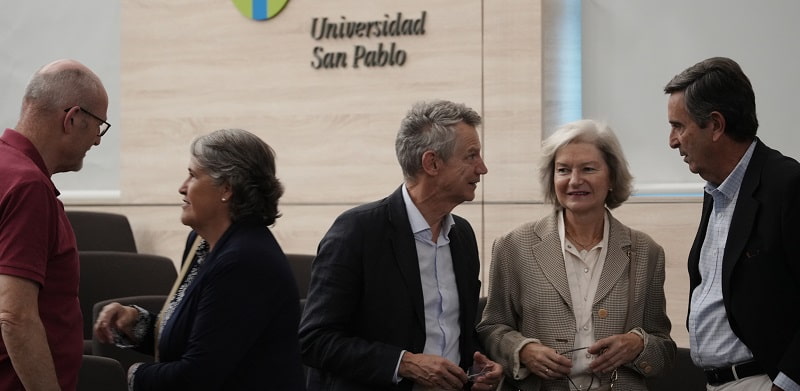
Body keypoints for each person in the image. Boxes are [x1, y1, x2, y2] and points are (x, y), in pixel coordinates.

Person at [298, 100, 502, 391]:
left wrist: (479, 366)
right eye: (471, 156)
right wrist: (403, 363)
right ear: (432, 163)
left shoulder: (463, 237)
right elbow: (315, 340)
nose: (482, 168)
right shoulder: (358, 231)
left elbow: (457, 332)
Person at [94, 128, 306, 390]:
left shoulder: (244, 262)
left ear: (226, 189)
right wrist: (135, 323)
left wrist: (126, 377)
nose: (182, 188)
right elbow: (196, 340)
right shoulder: (202, 243)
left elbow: (199, 376)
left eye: (193, 175)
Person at [477, 119, 676, 390]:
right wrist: (522, 350)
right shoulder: (513, 246)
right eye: (563, 170)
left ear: (612, 177)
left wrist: (638, 344)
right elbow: (492, 329)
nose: (574, 180)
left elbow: (663, 348)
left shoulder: (646, 252)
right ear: (552, 178)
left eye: (588, 169)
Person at [664, 57, 800, 391]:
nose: (672, 140)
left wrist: (785, 384)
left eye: (678, 126)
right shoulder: (717, 191)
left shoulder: (787, 185)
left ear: (715, 125)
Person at [0, 59, 109, 390]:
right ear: (73, 118)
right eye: (99, 126)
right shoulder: (28, 186)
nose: (97, 141)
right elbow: (15, 317)